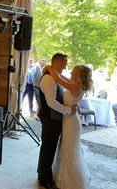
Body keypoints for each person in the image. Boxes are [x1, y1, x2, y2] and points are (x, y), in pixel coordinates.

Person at [45, 64, 93, 189]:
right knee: (66, 147)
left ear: (78, 75)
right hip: (70, 119)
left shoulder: (75, 86)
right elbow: (62, 77)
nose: (71, 73)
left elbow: (58, 79)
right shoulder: (76, 85)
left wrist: (49, 67)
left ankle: (72, 182)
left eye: (73, 72)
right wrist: (55, 71)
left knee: (70, 149)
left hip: (71, 122)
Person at [37, 53, 77, 189]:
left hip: (52, 118)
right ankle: (45, 180)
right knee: (48, 148)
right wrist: (68, 110)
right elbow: (51, 102)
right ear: (58, 62)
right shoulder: (49, 79)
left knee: (47, 147)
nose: (65, 67)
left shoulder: (53, 76)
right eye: (64, 63)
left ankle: (42, 173)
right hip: (50, 119)